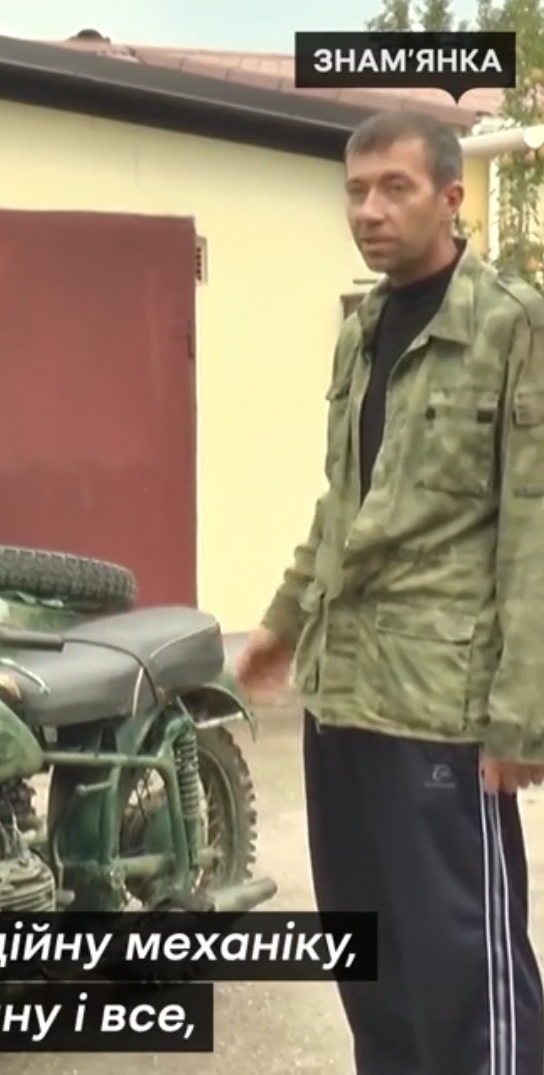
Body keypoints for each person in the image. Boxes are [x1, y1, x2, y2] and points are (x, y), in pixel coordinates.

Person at [235, 108, 544, 1075]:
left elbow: (533, 528)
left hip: (438, 707)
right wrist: (282, 623)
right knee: (370, 967)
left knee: (466, 974)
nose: (367, 211)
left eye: (393, 189)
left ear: (451, 198)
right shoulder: (361, 331)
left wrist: (520, 717)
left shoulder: (512, 326)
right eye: (355, 191)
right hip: (343, 699)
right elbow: (343, 504)